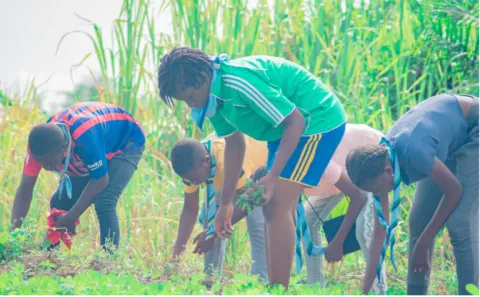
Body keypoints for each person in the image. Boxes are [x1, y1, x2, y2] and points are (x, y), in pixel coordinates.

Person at [157, 47, 367, 288]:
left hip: (315, 119)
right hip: (283, 131)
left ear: (201, 77)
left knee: (276, 204)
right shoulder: (213, 102)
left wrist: (272, 176)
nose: (190, 104)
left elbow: (295, 120)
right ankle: (276, 288)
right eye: (184, 101)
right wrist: (225, 205)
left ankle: (278, 290)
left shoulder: (238, 83)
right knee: (270, 203)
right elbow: (235, 144)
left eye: (189, 96)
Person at [346, 94, 480, 296]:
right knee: (418, 222)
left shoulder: (414, 152)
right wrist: (366, 289)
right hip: (445, 139)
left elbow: (454, 191)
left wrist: (424, 243)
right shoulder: (380, 161)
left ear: (388, 171)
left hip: (474, 129)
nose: (378, 194)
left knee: (459, 223)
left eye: (377, 189)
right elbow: (380, 231)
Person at [11, 102, 146, 250]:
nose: (46, 167)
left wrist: (70, 217)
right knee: (59, 202)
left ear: (63, 149)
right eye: (41, 162)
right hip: (93, 145)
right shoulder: (39, 144)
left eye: (49, 162)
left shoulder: (84, 137)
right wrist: (14, 234)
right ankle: (52, 256)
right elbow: (25, 187)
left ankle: (108, 261)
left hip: (125, 141)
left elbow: (100, 180)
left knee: (105, 200)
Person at [303, 124, 387, 295]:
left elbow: (358, 196)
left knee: (365, 228)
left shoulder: (314, 161)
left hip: (369, 163)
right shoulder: (283, 173)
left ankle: (378, 290)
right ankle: (316, 289)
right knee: (308, 218)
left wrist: (337, 242)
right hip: (339, 175)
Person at [170, 136, 268, 281]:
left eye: (195, 179)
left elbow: (249, 201)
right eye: (188, 179)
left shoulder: (224, 157)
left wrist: (213, 232)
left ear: (206, 161)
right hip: (228, 178)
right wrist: (176, 257)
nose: (193, 182)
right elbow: (190, 209)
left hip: (258, 174)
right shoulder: (192, 166)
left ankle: (262, 282)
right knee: (213, 217)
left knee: (257, 222)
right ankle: (211, 277)